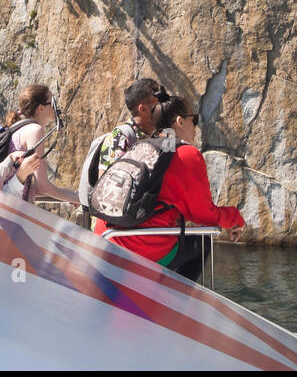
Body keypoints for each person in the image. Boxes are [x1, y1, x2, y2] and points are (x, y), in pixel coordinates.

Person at [95, 96, 245, 282]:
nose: (196, 128)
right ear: (180, 121)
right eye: (194, 120)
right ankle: (172, 301)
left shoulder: (144, 145)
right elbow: (203, 215)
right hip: (135, 246)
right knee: (201, 241)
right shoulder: (186, 154)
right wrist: (234, 219)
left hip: (106, 235)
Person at [0, 84, 78, 205]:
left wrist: (67, 195)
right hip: (11, 207)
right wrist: (78, 198)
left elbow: (29, 187)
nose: (56, 107)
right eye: (52, 102)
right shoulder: (34, 130)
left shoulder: (19, 127)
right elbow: (42, 186)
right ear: (41, 108)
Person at [95, 78, 164, 178]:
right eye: (158, 104)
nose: (162, 107)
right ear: (143, 109)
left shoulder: (162, 134)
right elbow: (106, 185)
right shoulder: (119, 138)